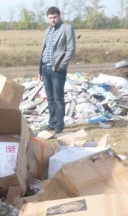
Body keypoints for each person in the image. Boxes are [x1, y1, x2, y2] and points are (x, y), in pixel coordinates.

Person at [39, 6, 76, 134]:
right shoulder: (47, 30)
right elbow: (44, 50)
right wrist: (40, 70)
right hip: (45, 68)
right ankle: (52, 123)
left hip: (57, 69)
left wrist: (61, 65)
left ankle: (59, 126)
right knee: (50, 98)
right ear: (47, 18)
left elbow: (71, 49)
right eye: (50, 18)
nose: (53, 20)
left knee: (58, 99)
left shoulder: (67, 28)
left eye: (55, 17)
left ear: (59, 16)